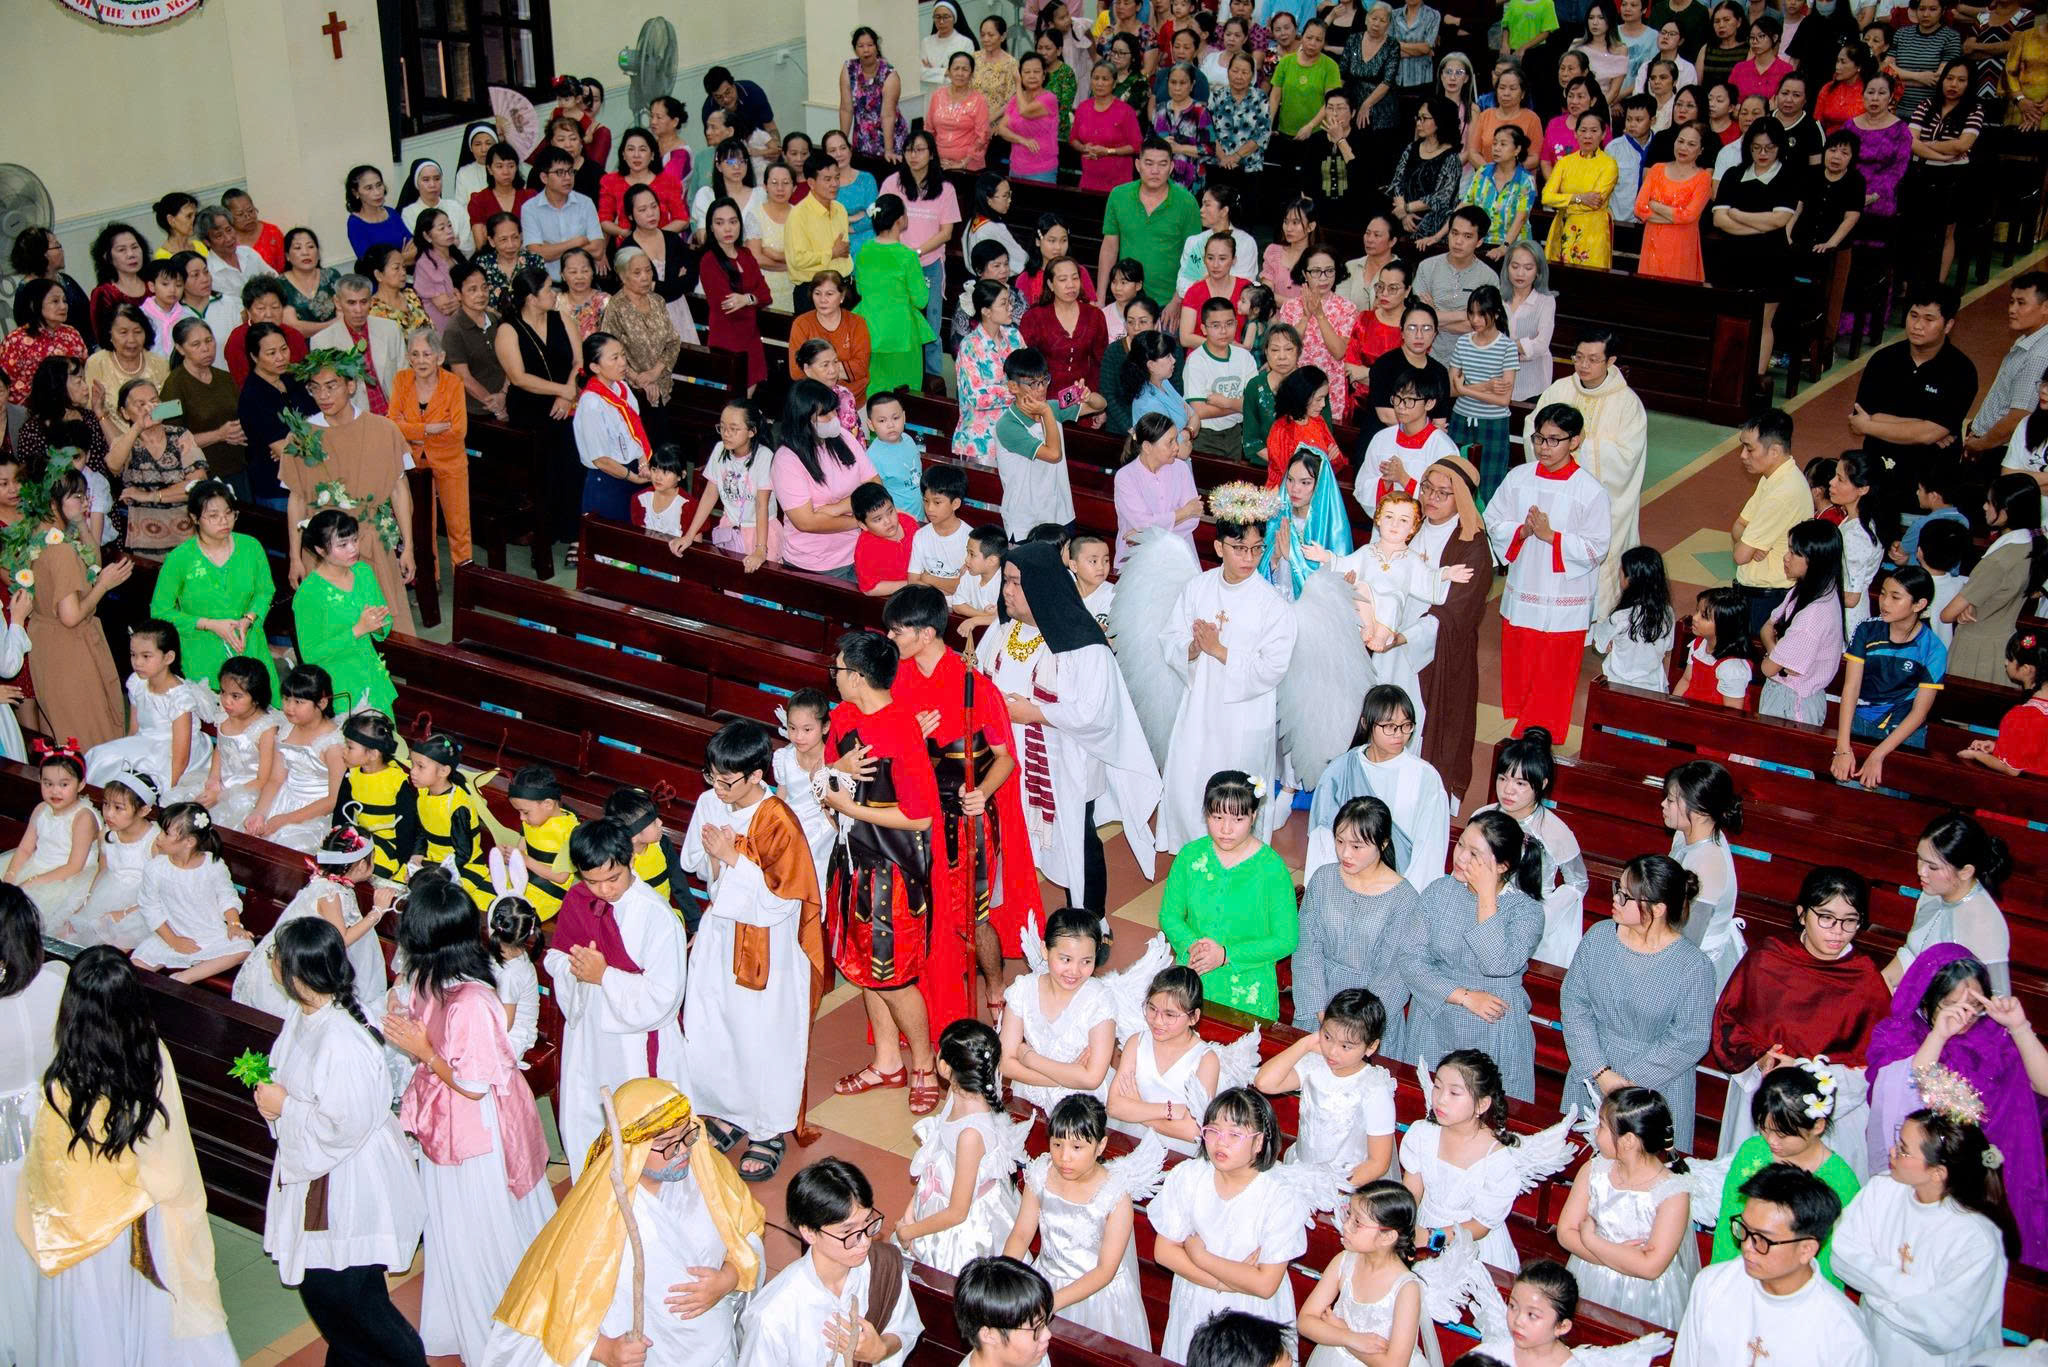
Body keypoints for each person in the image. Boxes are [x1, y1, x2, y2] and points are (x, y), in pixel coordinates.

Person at [16, 945, 238, 1365]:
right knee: (139, 1312)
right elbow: (168, 1147)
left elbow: (48, 1154)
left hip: (76, 1221)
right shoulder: (149, 1055)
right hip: (136, 1214)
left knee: (87, 1320)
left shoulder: (64, 1063)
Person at [486, 1078, 767, 1367]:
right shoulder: (599, 1215)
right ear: (633, 1148)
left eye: (688, 1134)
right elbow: (549, 1310)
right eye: (665, 1144)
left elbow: (748, 1231)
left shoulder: (706, 1168)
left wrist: (729, 1277)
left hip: (712, 1341)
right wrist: (602, 1350)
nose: (683, 1150)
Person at [250, 916, 423, 1363]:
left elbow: (343, 1125)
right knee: (334, 1300)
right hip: (323, 1171)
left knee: (351, 1300)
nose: (271, 962)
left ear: (297, 973)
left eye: (275, 956)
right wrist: (275, 1101)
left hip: (346, 1181)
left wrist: (286, 1107)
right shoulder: (305, 1014)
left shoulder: (342, 1039)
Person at [975, 542, 1162, 914]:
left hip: (1066, 762)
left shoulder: (1082, 643)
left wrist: (1035, 713)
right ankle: (1015, 917)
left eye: (1015, 583)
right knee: (1011, 837)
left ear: (1041, 586)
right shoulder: (1002, 630)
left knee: (1078, 841)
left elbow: (1096, 713)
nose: (1006, 591)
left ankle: (1090, 923)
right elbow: (981, 680)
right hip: (1009, 758)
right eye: (1005, 581)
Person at [817, 629, 944, 1112]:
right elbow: (823, 783)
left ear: (858, 677)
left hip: (892, 871)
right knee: (863, 969)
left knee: (894, 978)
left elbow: (921, 817)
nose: (833, 676)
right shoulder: (842, 718)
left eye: (837, 669)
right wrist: (837, 772)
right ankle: (888, 1061)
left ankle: (924, 1065)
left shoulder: (901, 731)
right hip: (852, 862)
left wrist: (849, 806)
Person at [1863, 945, 2048, 1268]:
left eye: (1975, 1005)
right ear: (1926, 999)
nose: (1965, 1015)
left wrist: (2019, 1027)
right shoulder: (1899, 1033)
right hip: (1932, 1173)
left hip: (1996, 1172)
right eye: (1951, 1005)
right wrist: (1938, 1035)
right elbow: (1906, 1090)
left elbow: (2044, 1086)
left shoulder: (1996, 1035)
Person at [543, 816, 692, 1179]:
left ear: (630, 860)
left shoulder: (657, 916)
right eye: (592, 881)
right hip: (590, 1033)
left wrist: (605, 976)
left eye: (613, 878)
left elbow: (664, 997)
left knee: (641, 1124)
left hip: (635, 1041)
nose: (604, 891)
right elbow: (556, 956)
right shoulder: (578, 899)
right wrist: (576, 968)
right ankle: (596, 1193)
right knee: (589, 1113)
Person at [1156, 489, 1298, 851]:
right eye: (1239, 548)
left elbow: (1273, 667)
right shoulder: (1197, 587)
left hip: (1244, 716)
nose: (1249, 558)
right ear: (1219, 547)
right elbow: (1170, 636)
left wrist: (1219, 651)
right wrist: (1191, 648)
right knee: (1191, 782)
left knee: (1238, 792)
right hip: (1199, 709)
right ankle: (1193, 857)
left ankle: (1240, 862)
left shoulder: (1272, 605)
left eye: (1256, 548)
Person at [1833, 1109, 2016, 1363]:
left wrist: (1872, 1290)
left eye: (1904, 1149)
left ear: (1938, 1173)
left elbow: (1942, 1328)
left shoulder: (1975, 1237)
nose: (1892, 1151)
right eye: (1897, 1142)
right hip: (1874, 1343)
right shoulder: (1882, 1189)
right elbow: (1842, 1255)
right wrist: (1912, 1291)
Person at [1561, 853, 1717, 1147]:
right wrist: (1601, 1073)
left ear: (1657, 908)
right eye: (1617, 889)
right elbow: (1574, 1004)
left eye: (1625, 896)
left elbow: (1690, 1039)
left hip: (1656, 1085)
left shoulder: (1693, 966)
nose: (1615, 899)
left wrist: (1625, 1082)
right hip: (1593, 1069)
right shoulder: (1598, 937)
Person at [1150, 1088, 1315, 1358]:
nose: (1220, 1142)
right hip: (1195, 1303)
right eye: (1213, 1131)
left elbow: (1265, 1285)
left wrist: (1200, 1257)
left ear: (1259, 1142)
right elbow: (1164, 1252)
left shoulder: (1281, 1195)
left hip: (1251, 1316)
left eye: (1235, 1135)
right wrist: (1226, 1284)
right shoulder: (1189, 1175)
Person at [1484, 402, 1611, 743]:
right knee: (1522, 671)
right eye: (1539, 438)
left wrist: (1552, 537)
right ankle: (1524, 736)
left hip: (1564, 602)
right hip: (1524, 591)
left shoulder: (1590, 490)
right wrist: (1522, 531)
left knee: (1553, 678)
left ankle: (1537, 741)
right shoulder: (1518, 478)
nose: (1544, 447)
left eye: (1554, 440)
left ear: (1575, 441)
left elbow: (1597, 547)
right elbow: (1493, 519)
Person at [1670, 1163, 1876, 1365]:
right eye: (1745, 1229)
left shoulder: (1844, 1335)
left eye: (1763, 1239)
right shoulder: (1712, 1285)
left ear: (1806, 1249)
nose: (1747, 1247)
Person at [1404, 814, 1548, 1101]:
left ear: (1502, 866)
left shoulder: (1527, 911)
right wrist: (1464, 996)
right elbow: (1410, 960)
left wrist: (1486, 896)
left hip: (1492, 1025)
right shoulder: (1438, 891)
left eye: (1474, 854)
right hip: (1436, 1012)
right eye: (1460, 845)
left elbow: (1497, 964)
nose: (1460, 857)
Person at [280, 347, 417, 633]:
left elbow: (399, 491)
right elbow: (297, 499)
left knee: (385, 623)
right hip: (322, 548)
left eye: (331, 386)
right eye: (315, 388)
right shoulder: (302, 436)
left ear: (351, 385)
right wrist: (294, 557)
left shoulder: (384, 429)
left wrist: (408, 547)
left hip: (371, 540)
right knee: (333, 631)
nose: (323, 395)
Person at [739, 1157, 923, 1367]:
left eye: (868, 1223)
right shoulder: (774, 1314)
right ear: (809, 1233)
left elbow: (905, 1327)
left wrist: (881, 1350)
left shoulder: (884, 1265)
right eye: (848, 1232)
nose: (865, 1242)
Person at [1158, 770, 1298, 1020]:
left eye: (1238, 819)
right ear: (1206, 814)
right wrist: (1194, 946)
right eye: (1217, 817)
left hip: (1248, 987)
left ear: (1254, 816)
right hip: (1195, 974)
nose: (1226, 829)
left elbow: (1286, 939)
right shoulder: (1190, 856)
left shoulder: (1271, 868)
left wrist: (1225, 955)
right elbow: (1170, 916)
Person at [1556, 1087, 1700, 1328]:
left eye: (1602, 1126)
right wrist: (1619, 1258)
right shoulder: (1594, 1171)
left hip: (1646, 1296)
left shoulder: (1673, 1192)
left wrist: (1592, 1241)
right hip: (1590, 1278)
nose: (1595, 1131)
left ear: (1628, 1140)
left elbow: (1651, 1267)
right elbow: (1565, 1232)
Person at [22, 469, 129, 749]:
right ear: (53, 502)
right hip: (68, 648)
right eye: (78, 496)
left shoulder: (40, 536)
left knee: (59, 728)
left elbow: (92, 562)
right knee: (86, 731)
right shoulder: (61, 550)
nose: (85, 502)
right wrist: (104, 585)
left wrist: (81, 522)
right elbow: (70, 616)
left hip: (45, 642)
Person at [1850, 286, 1978, 504]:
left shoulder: (1961, 371)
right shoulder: (1883, 360)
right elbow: (1858, 421)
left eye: (1929, 319)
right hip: (1878, 476)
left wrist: (1871, 425)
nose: (1918, 326)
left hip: (1928, 487)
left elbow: (1928, 434)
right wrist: (1925, 426)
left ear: (1948, 325)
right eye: (1914, 315)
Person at [1945, 474, 2047, 682]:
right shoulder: (2033, 544)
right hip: (2004, 640)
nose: (1984, 507)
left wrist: (1965, 604)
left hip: (1977, 648)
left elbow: (1947, 614)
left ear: (2007, 510)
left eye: (1990, 502)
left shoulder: (2000, 559)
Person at [855, 196, 934, 397]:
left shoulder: (864, 250)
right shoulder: (907, 256)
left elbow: (860, 290)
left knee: (874, 390)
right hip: (901, 331)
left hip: (869, 327)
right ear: (900, 220)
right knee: (904, 393)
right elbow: (921, 300)